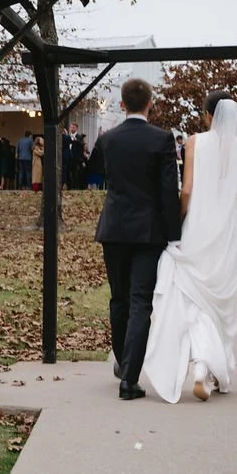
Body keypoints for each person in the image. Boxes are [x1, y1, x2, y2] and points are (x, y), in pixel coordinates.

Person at [143, 91, 237, 403]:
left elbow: (187, 189)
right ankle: (211, 368)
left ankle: (202, 366)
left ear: (207, 115)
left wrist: (176, 220)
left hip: (198, 228)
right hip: (229, 233)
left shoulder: (194, 142)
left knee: (195, 299)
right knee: (220, 304)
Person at [94, 78, 181, 401]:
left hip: (114, 228)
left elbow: (101, 173)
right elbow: (167, 192)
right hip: (147, 232)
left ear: (121, 104)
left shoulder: (109, 139)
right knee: (139, 301)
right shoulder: (161, 139)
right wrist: (175, 236)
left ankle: (122, 361)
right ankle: (129, 377)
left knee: (119, 298)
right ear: (150, 104)